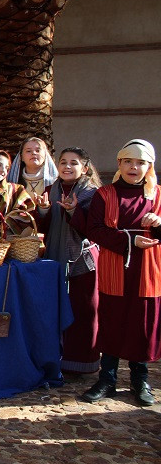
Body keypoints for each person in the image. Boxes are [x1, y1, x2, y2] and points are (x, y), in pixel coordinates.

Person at [82, 139, 161, 406]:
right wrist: (130, 241)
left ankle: (140, 381)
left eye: (140, 162)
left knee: (142, 325)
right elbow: (94, 230)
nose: (134, 167)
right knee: (112, 322)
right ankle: (107, 380)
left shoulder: (158, 195)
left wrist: (158, 224)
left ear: (149, 166)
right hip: (115, 268)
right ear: (119, 163)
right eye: (128, 161)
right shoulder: (104, 194)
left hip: (148, 272)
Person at [38, 147, 102, 374]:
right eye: (63, 162)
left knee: (83, 311)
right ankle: (55, 360)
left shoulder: (93, 194)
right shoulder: (50, 190)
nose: (67, 166)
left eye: (73, 163)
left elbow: (92, 230)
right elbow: (43, 229)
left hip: (81, 262)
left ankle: (82, 363)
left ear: (84, 168)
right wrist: (44, 211)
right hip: (54, 258)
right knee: (54, 310)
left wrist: (74, 211)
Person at [7, 136, 59, 203]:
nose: (34, 153)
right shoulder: (12, 182)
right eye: (28, 151)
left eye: (38, 150)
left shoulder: (55, 182)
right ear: (21, 157)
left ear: (46, 155)